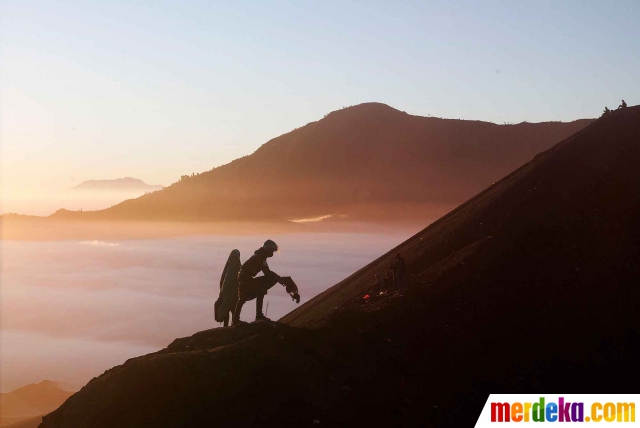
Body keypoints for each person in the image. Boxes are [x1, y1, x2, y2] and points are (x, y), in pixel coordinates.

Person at [232, 240, 298, 325]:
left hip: (244, 278)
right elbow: (268, 273)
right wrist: (280, 279)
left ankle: (239, 319)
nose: (272, 253)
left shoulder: (260, 256)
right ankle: (256, 316)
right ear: (268, 249)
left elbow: (267, 272)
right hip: (245, 279)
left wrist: (279, 279)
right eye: (272, 251)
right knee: (252, 293)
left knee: (248, 295)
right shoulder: (260, 257)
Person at [216, 249, 241, 327]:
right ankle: (231, 325)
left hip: (230, 292)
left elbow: (222, 280)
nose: (234, 259)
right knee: (231, 309)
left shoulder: (229, 266)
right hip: (230, 292)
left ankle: (231, 325)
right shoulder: (237, 266)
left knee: (231, 309)